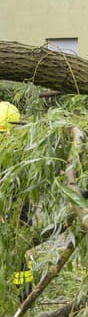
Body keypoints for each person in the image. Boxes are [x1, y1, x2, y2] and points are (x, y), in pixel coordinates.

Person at [0, 101, 33, 300]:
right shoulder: (23, 144)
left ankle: (24, 294)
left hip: (16, 203)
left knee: (18, 242)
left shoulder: (21, 150)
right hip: (16, 203)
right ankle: (23, 293)